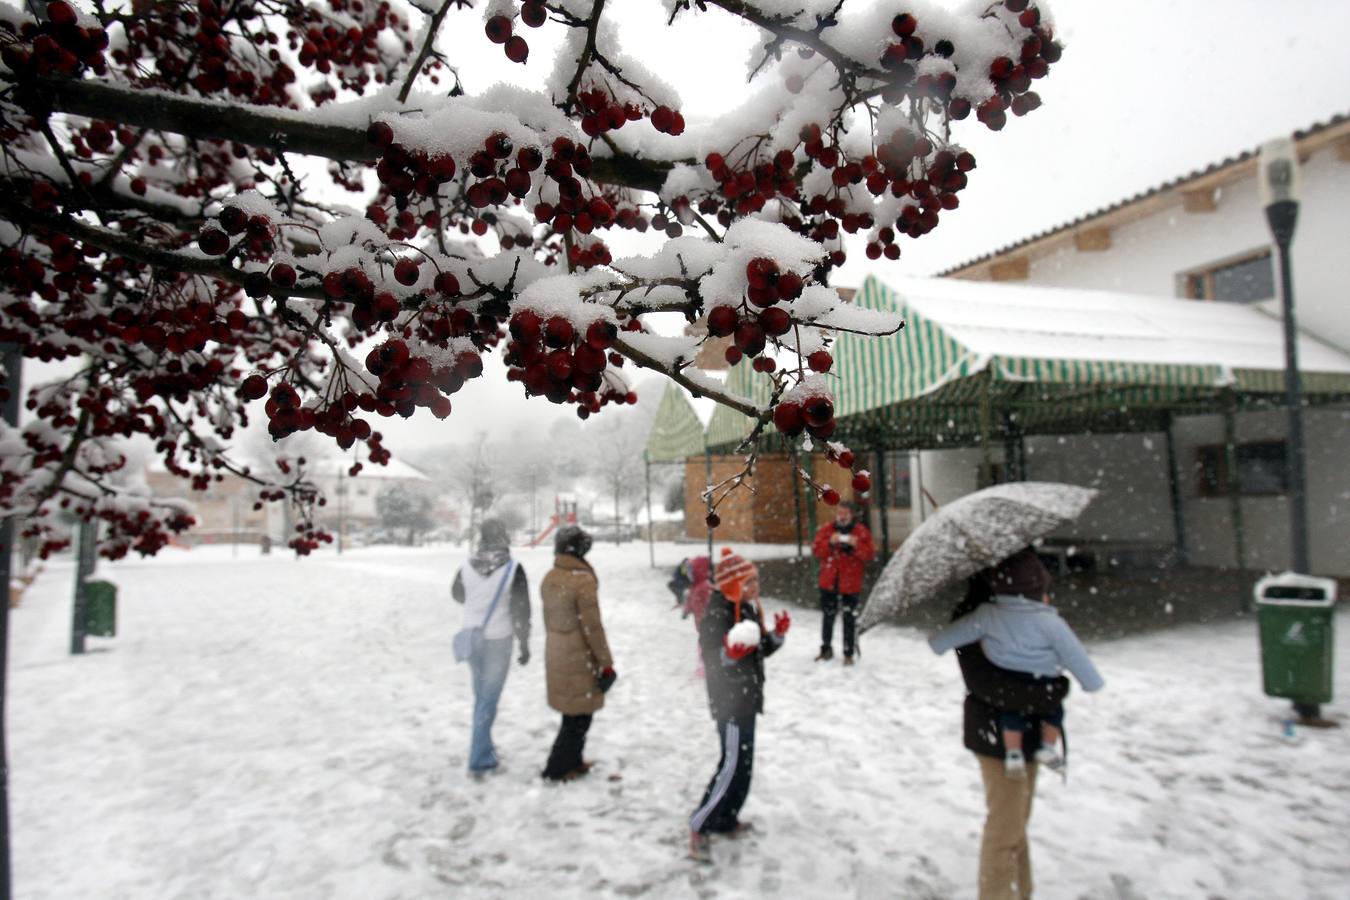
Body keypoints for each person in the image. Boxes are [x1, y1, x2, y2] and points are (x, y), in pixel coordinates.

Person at [929, 547, 1104, 779]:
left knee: (1012, 717)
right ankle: (1048, 748)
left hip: (1005, 708)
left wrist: (940, 642)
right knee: (1053, 714)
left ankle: (1014, 753)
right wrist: (1089, 683)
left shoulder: (987, 615)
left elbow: (942, 641)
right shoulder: (1050, 622)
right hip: (1029, 699)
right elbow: (1075, 655)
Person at [688, 548, 790, 863]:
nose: (756, 586)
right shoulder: (718, 613)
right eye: (751, 581)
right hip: (729, 701)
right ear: (734, 584)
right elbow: (712, 658)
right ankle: (700, 824)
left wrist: (777, 636)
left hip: (748, 698)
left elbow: (758, 651)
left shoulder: (746, 609)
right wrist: (727, 656)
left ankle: (726, 818)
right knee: (731, 765)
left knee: (743, 765)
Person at [451, 519, 530, 777]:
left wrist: (478, 600)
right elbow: (522, 609)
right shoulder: (513, 568)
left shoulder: (466, 565)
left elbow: (457, 595)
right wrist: (524, 642)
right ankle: (480, 758)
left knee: (481, 696)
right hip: (499, 638)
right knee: (488, 698)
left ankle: (484, 746)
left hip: (471, 636)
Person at [540, 524, 616, 782]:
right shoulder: (581, 580)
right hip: (579, 656)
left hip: (557, 651)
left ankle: (572, 761)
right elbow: (592, 627)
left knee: (572, 713)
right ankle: (558, 768)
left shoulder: (551, 576)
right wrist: (606, 664)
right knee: (579, 717)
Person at [811, 501, 874, 664]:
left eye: (845, 513)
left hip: (850, 583)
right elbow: (817, 550)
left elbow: (869, 554)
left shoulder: (861, 532)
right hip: (829, 581)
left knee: (849, 619)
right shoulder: (827, 530)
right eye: (839, 513)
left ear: (852, 514)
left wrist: (856, 545)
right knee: (828, 617)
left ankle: (848, 653)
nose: (842, 516)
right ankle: (826, 649)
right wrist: (830, 543)